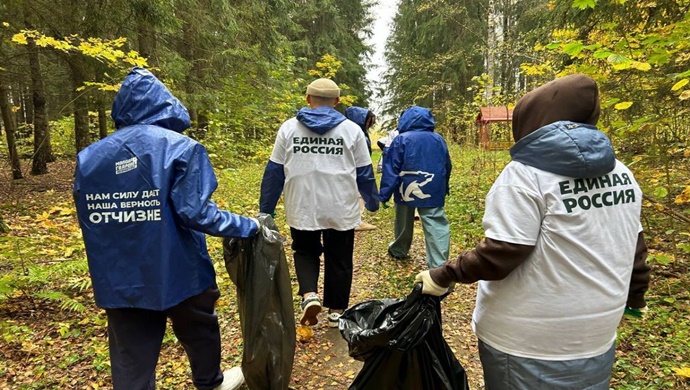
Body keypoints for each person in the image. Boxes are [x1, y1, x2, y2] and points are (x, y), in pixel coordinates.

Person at [414, 74, 651, 389]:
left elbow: (503, 253)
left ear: (532, 119)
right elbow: (634, 246)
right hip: (596, 335)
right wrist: (635, 295)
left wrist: (442, 275)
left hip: (525, 340)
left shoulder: (524, 175)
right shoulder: (621, 173)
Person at [73, 67, 259, 390]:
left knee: (131, 359)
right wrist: (248, 225)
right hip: (181, 272)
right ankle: (210, 383)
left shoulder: (89, 159)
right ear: (165, 104)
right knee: (200, 329)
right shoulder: (182, 148)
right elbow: (197, 213)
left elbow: (91, 220)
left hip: (121, 280)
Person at [259, 78, 379, 328]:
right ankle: (336, 311)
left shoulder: (289, 129)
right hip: (340, 205)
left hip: (301, 203)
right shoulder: (352, 130)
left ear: (307, 99)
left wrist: (266, 207)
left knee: (305, 251)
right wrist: (371, 201)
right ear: (336, 102)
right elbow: (364, 172)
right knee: (340, 257)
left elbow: (274, 171)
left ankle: (309, 295)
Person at [379, 106, 452, 269]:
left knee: (403, 219)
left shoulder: (401, 139)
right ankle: (439, 264)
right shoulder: (438, 139)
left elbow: (391, 168)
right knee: (435, 222)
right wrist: (444, 186)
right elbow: (447, 165)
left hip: (405, 186)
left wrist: (385, 194)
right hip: (433, 186)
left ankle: (399, 249)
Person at [345, 106, 378, 231]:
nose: (370, 124)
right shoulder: (356, 134)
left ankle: (356, 219)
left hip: (355, 167)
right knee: (358, 193)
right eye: (369, 121)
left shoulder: (360, 133)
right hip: (353, 168)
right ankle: (357, 221)